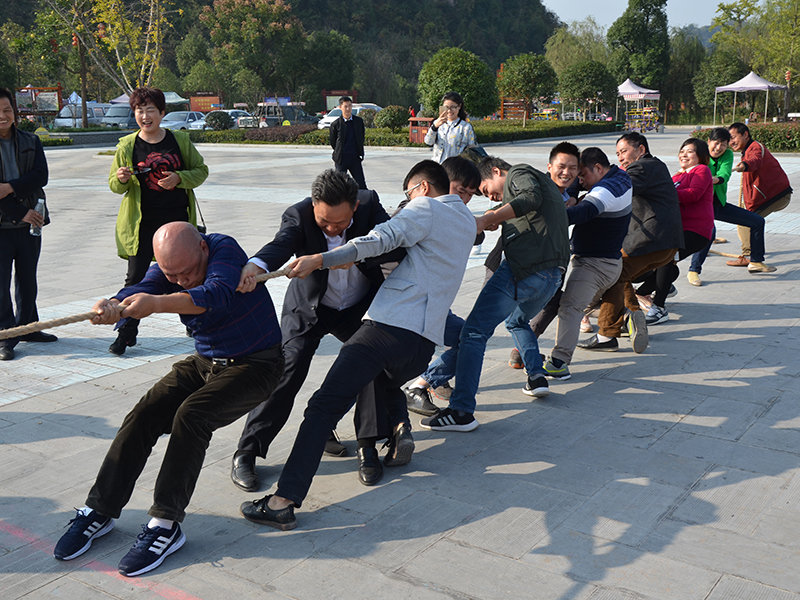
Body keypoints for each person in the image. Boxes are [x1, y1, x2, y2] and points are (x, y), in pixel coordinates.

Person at [239, 160, 476, 530]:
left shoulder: (424, 207)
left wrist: (322, 258)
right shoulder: (464, 219)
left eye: (408, 194)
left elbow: (378, 239)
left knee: (322, 406)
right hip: (421, 345)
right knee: (369, 379)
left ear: (423, 189)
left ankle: (283, 501)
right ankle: (387, 438)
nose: (406, 201)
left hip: (388, 326)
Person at [53, 223, 284, 576]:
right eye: (170, 273)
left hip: (257, 363)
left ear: (203, 251)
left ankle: (165, 525)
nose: (179, 280)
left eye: (187, 271)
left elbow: (215, 294)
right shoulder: (169, 268)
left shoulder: (224, 250)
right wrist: (116, 303)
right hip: (207, 361)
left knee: (193, 415)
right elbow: (145, 287)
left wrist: (156, 304)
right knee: (145, 411)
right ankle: (100, 511)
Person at [231, 170, 394, 491]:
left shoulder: (370, 204)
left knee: (370, 366)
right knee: (285, 372)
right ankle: (247, 452)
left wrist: (354, 254)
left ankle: (368, 447)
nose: (333, 229)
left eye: (341, 223)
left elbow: (391, 242)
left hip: (357, 308)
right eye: (324, 224)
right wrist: (256, 265)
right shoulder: (299, 214)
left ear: (355, 208)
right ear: (314, 207)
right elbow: (282, 244)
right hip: (308, 308)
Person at [421, 156, 569, 433]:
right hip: (551, 278)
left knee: (473, 333)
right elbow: (527, 206)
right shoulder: (537, 187)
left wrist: (489, 217)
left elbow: (529, 197)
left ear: (497, 171)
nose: (490, 197)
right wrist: (495, 216)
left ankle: (461, 410)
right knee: (517, 322)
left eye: (487, 189)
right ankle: (536, 376)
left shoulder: (520, 173)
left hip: (523, 270)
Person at [108, 86, 209, 355]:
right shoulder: (127, 146)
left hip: (177, 226)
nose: (144, 115)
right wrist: (120, 179)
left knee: (186, 277)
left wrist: (180, 178)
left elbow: (201, 171)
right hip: (142, 226)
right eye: (139, 110)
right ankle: (127, 331)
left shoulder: (180, 142)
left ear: (162, 113)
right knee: (135, 280)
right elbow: (114, 186)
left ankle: (195, 323)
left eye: (150, 109)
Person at [578, 132, 683, 354]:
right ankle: (627, 320)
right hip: (664, 241)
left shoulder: (642, 168)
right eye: (617, 153)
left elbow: (619, 187)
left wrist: (583, 196)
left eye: (624, 151)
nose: (621, 158)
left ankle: (612, 330)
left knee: (614, 273)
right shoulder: (656, 167)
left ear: (641, 150)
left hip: (651, 238)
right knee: (618, 275)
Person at [401, 156, 482, 415]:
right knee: (371, 370)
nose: (465, 199)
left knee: (469, 336)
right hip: (407, 307)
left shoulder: (456, 215)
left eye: (470, 194)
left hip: (434, 306)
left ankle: (424, 384)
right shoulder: (414, 211)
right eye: (460, 191)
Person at [543, 147, 632, 380]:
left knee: (570, 308)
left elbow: (583, 212)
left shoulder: (607, 190)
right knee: (581, 305)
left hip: (594, 265)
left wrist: (546, 214)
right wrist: (573, 193)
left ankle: (559, 362)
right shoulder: (619, 175)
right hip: (609, 262)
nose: (579, 180)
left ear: (599, 169)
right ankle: (625, 317)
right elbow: (579, 189)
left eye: (581, 174)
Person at [507, 141, 581, 370]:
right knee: (491, 324)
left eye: (572, 168)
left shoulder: (565, 195)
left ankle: (525, 358)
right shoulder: (538, 190)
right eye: (561, 166)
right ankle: (429, 378)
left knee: (548, 304)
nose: (566, 172)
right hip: (519, 266)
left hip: (548, 266)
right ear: (549, 167)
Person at [0, 87, 56, 361]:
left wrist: (9, 187)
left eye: (7, 110)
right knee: (0, 285)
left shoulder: (31, 141)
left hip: (30, 223)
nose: (2, 116)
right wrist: (16, 212)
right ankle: (5, 336)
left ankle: (28, 327)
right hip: (4, 226)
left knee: (27, 280)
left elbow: (40, 176)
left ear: (15, 112)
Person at [634, 139, 715, 325]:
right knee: (664, 263)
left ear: (700, 156)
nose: (683, 155)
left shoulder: (701, 170)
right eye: (682, 151)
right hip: (676, 230)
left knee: (666, 258)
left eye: (689, 152)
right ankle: (661, 287)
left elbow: (693, 194)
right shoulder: (677, 176)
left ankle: (659, 307)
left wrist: (662, 193)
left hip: (695, 230)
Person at [687, 128, 771, 284]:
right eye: (716, 143)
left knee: (757, 221)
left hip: (719, 204)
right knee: (709, 233)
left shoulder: (727, 155)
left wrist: (712, 179)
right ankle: (693, 271)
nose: (719, 148)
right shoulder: (699, 155)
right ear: (709, 142)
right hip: (701, 207)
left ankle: (756, 261)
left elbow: (724, 174)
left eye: (723, 144)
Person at [724, 122, 789, 272]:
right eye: (729, 139)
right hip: (769, 194)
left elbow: (755, 160)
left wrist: (745, 165)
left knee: (747, 219)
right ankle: (751, 252)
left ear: (745, 134)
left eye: (733, 137)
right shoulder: (746, 149)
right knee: (744, 215)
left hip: (776, 195)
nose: (731, 142)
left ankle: (749, 257)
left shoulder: (754, 148)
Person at [424, 91, 477, 163]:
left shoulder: (465, 127)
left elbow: (472, 150)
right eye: (446, 107)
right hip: (438, 167)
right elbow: (428, 141)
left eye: (453, 107)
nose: (449, 111)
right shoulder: (438, 124)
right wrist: (434, 127)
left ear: (459, 106)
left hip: (456, 169)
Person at [330, 96, 367, 189]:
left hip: (354, 157)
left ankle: (364, 202)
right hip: (341, 158)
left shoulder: (358, 122)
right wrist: (339, 150)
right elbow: (333, 141)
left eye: (350, 106)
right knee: (339, 185)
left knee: (361, 184)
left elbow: (361, 137)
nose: (348, 109)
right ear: (340, 107)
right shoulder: (335, 124)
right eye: (345, 106)